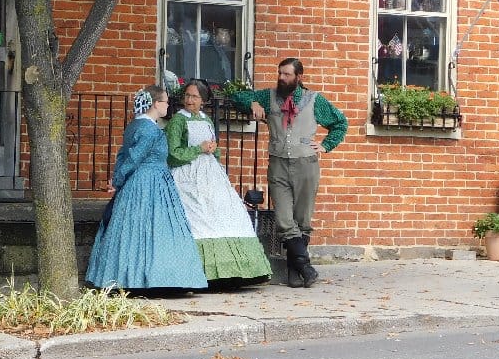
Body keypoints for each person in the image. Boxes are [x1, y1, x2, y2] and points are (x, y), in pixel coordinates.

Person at [230, 58, 347, 288]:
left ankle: (296, 272)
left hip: (306, 164)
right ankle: (306, 266)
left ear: (299, 77)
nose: (281, 78)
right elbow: (237, 97)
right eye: (280, 73)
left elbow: (340, 122)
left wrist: (325, 145)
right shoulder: (270, 96)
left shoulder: (314, 100)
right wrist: (253, 102)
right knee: (284, 220)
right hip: (278, 164)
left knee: (302, 220)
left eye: (286, 74)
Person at [86, 85, 208, 291]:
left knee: (134, 230)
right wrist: (116, 180)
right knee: (153, 229)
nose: (168, 106)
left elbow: (123, 155)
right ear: (155, 104)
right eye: (165, 102)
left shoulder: (135, 125)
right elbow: (133, 157)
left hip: (140, 183)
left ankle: (130, 276)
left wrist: (118, 178)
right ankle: (154, 280)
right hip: (149, 183)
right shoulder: (149, 129)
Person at [166, 80, 272, 287]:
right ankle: (198, 273)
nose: (189, 100)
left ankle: (233, 271)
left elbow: (214, 150)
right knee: (197, 218)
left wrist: (213, 149)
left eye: (195, 97)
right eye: (187, 95)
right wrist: (199, 149)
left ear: (204, 101)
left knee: (225, 215)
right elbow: (173, 154)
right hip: (186, 175)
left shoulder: (206, 120)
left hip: (210, 175)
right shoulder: (178, 120)